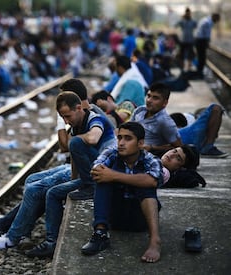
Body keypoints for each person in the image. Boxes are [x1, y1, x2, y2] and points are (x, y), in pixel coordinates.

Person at [81, 122, 199, 263]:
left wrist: (114, 176)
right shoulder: (112, 152)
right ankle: (100, 234)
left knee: (145, 182)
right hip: (114, 216)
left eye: (128, 138)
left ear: (140, 143)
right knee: (103, 179)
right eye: (120, 138)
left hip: (139, 219)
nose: (121, 143)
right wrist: (109, 175)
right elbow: (96, 169)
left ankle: (155, 241)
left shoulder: (152, 160)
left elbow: (153, 181)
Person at [24, 91, 117, 258]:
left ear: (79, 108)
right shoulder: (76, 126)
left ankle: (90, 187)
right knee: (52, 193)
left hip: (106, 174)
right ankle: (52, 242)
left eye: (68, 116)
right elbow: (73, 155)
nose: (67, 121)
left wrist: (74, 139)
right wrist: (74, 183)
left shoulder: (95, 119)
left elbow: (93, 138)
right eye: (63, 118)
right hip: (89, 177)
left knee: (75, 142)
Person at [130, 82, 183, 157]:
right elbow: (128, 129)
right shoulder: (140, 110)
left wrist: (151, 147)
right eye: (148, 96)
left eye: (155, 98)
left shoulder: (165, 122)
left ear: (164, 103)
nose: (149, 100)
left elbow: (178, 148)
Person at [194, 13, 220, 78]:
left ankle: (199, 71)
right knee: (202, 57)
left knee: (200, 57)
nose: (216, 22)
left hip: (198, 40)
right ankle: (199, 73)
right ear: (214, 17)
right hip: (201, 41)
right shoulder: (208, 22)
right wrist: (207, 42)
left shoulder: (205, 19)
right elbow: (206, 34)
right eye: (216, 20)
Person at [175, 8, 197, 72]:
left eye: (189, 13)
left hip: (190, 40)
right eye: (187, 13)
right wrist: (181, 18)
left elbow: (197, 26)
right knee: (181, 55)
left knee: (190, 55)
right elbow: (175, 25)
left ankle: (189, 68)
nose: (188, 14)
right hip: (183, 40)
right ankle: (182, 68)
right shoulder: (182, 21)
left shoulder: (193, 21)